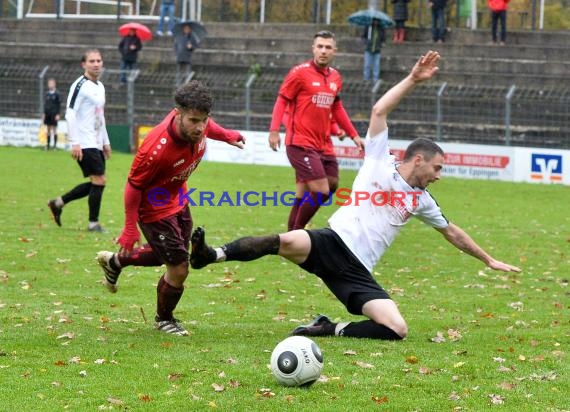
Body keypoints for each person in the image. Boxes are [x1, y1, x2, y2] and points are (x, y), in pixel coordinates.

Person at [189, 51, 522, 341]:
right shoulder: (380, 160)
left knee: (396, 329)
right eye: (436, 168)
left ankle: (329, 328)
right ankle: (210, 255)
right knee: (280, 241)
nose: (439, 175)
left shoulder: (421, 199)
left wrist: (488, 259)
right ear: (417, 159)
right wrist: (412, 79)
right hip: (331, 242)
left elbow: (452, 232)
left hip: (356, 271)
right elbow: (379, 111)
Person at [96, 80, 245, 336]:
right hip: (153, 208)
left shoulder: (197, 122)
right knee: (178, 266)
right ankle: (164, 319)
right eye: (193, 121)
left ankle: (115, 262)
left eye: (203, 120)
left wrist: (226, 135)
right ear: (178, 114)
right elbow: (133, 187)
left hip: (177, 196)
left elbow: (209, 126)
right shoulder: (155, 149)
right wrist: (130, 228)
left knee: (167, 253)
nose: (200, 128)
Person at [268, 30, 364, 232]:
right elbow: (282, 100)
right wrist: (274, 131)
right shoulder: (299, 73)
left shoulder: (336, 77)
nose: (323, 51)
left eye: (328, 47)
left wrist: (354, 135)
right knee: (320, 190)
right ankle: (297, 232)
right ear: (313, 48)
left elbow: (337, 107)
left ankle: (292, 234)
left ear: (334, 51)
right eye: (319, 46)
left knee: (330, 184)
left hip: (323, 144)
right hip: (300, 143)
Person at [47, 49, 111, 233]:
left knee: (97, 182)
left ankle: (57, 203)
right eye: (92, 61)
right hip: (84, 141)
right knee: (99, 180)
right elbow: (70, 113)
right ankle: (93, 224)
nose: (96, 64)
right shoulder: (79, 85)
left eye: (99, 60)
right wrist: (75, 142)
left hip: (96, 141)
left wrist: (105, 141)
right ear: (84, 64)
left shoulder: (100, 86)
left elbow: (100, 117)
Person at [362, 18, 386, 83]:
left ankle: (375, 79)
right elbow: (363, 36)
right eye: (374, 20)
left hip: (377, 50)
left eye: (377, 21)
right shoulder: (368, 27)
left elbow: (383, 38)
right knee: (367, 64)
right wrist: (366, 42)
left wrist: (382, 44)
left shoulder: (381, 28)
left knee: (376, 66)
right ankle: (366, 78)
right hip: (368, 49)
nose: (375, 22)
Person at [42, 78, 61, 150]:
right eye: (49, 83)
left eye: (51, 83)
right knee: (48, 129)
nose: (50, 85)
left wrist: (58, 114)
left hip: (54, 114)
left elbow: (59, 105)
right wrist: (44, 113)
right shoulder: (47, 94)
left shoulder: (57, 94)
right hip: (47, 114)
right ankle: (48, 145)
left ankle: (55, 146)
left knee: (54, 130)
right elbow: (45, 104)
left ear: (54, 84)